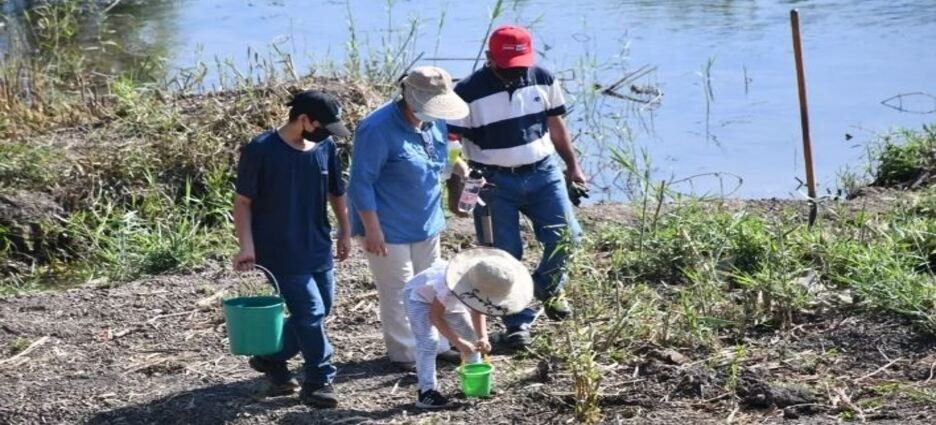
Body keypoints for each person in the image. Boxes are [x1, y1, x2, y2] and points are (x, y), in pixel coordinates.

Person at [447, 25, 585, 350]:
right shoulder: (465, 92)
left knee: (567, 237)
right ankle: (516, 322)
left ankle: (546, 289)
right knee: (504, 256)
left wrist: (573, 165)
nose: (515, 74)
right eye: (507, 67)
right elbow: (452, 146)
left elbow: (555, 124)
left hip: (543, 172)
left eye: (520, 66)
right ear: (489, 58)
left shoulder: (543, 77)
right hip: (492, 181)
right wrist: (459, 191)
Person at [232, 90, 352, 408]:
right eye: (323, 126)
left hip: (317, 245)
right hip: (278, 250)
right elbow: (243, 202)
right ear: (303, 120)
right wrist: (246, 246)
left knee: (320, 309)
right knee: (310, 313)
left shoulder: (325, 146)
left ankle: (271, 357)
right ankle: (318, 381)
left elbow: (337, 192)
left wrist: (345, 231)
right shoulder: (262, 150)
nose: (328, 134)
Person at [347, 66, 469, 369]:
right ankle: (406, 352)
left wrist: (458, 170)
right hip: (387, 225)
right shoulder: (377, 128)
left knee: (432, 286)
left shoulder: (434, 123)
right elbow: (361, 182)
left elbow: (440, 161)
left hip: (426, 219)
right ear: (410, 96)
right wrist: (372, 229)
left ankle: (438, 344)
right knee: (401, 291)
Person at [404, 247, 534, 408]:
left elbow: (478, 309)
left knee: (470, 336)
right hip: (418, 298)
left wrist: (482, 337)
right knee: (429, 342)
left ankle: (474, 382)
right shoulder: (448, 283)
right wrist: (457, 342)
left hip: (449, 304)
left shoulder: (480, 283)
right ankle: (426, 392)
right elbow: (435, 317)